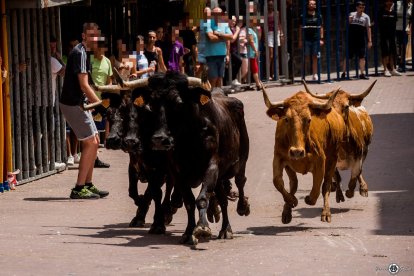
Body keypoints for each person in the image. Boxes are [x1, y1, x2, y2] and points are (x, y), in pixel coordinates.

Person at [59, 22, 109, 199]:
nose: (94, 40)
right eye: (91, 36)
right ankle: (79, 188)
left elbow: (87, 85)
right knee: (91, 142)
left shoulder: (83, 53)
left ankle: (88, 184)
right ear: (84, 37)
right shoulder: (80, 52)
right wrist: (102, 106)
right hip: (73, 104)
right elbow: (84, 85)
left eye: (96, 36)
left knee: (94, 140)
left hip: (79, 103)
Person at [90, 41, 112, 169]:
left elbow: (109, 81)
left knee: (97, 130)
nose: (98, 50)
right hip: (90, 101)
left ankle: (95, 158)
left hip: (102, 101)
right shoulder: (90, 60)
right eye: (96, 48)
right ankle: (92, 158)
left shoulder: (107, 62)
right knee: (91, 131)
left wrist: (107, 93)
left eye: (100, 48)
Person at [341, 1, 372, 80]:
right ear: (357, 7)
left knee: (362, 57)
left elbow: (368, 29)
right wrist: (349, 20)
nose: (361, 8)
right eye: (360, 7)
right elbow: (347, 24)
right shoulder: (352, 14)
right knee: (348, 56)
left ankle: (362, 73)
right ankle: (344, 73)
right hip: (351, 38)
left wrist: (369, 40)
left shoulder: (366, 17)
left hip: (361, 39)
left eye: (363, 7)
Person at [205, 6, 233, 88]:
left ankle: (219, 97)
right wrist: (224, 38)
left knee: (220, 78)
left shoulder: (224, 25)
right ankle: (211, 97)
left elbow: (231, 37)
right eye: (214, 14)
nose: (216, 16)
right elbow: (211, 38)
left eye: (219, 14)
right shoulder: (208, 24)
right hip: (211, 56)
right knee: (213, 79)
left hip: (222, 55)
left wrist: (219, 34)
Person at [299, 0, 324, 81]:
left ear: (315, 6)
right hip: (306, 39)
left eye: (313, 4)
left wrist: (321, 39)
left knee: (315, 57)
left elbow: (321, 27)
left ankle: (315, 74)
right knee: (305, 57)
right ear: (308, 5)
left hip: (316, 39)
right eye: (310, 4)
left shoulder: (318, 15)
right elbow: (300, 29)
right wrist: (300, 40)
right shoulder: (303, 16)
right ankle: (304, 74)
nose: (312, 5)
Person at [379, 0, 402, 77]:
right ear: (385, 2)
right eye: (388, 1)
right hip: (383, 35)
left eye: (391, 1)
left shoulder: (394, 12)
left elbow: (394, 23)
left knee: (392, 53)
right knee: (385, 53)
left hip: (392, 35)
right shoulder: (381, 11)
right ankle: (385, 70)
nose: (389, 3)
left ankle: (392, 70)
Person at [267, 1, 284, 81]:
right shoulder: (265, 13)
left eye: (272, 5)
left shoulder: (276, 13)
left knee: (276, 54)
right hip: (269, 33)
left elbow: (279, 23)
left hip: (276, 32)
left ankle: (275, 73)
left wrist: (281, 33)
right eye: (269, 5)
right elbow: (264, 25)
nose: (271, 6)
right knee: (270, 55)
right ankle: (269, 73)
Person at [224, 15, 242, 87]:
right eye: (232, 20)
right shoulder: (227, 28)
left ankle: (231, 79)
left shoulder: (233, 28)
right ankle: (231, 79)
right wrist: (238, 30)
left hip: (234, 50)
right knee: (238, 61)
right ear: (228, 20)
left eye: (235, 21)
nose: (234, 22)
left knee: (231, 66)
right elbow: (232, 40)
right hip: (229, 50)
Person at [395, 0, 413, 71]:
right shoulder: (397, 3)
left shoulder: (411, 6)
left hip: (405, 29)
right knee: (396, 46)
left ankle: (401, 64)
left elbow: (411, 19)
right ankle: (396, 62)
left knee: (403, 46)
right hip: (395, 28)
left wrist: (410, 28)